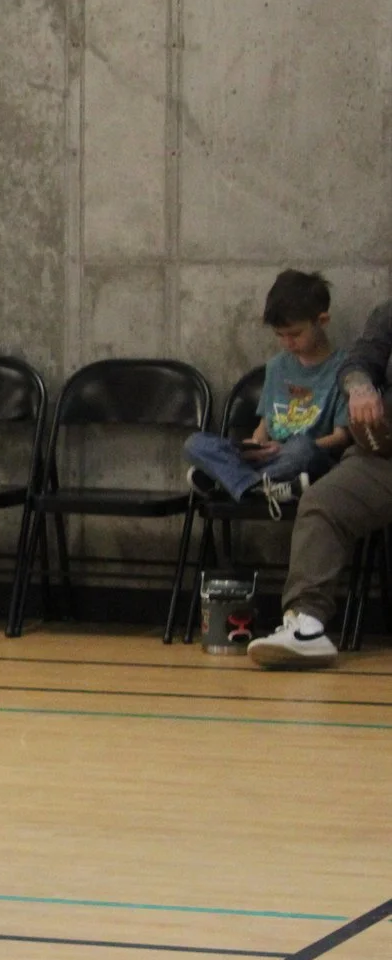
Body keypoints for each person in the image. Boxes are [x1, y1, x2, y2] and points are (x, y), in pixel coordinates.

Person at [250, 296, 392, 669]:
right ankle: (306, 625)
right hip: (383, 456)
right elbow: (358, 362)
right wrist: (361, 388)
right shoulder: (387, 314)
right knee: (323, 502)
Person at [184, 269, 349, 505]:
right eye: (279, 335)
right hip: (270, 459)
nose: (287, 343)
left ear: (322, 321)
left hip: (308, 461)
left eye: (295, 334)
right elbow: (266, 424)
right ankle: (260, 486)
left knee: (300, 447)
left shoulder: (344, 369)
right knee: (195, 443)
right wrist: (255, 445)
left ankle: (228, 483)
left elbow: (341, 438)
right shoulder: (277, 366)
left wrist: (284, 449)